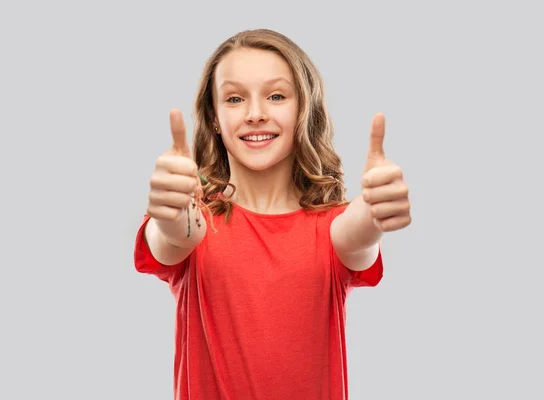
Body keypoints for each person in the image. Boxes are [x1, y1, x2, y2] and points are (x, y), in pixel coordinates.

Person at [134, 28, 411, 400]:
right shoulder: (194, 220)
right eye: (234, 99)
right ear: (215, 118)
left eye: (276, 96)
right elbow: (176, 233)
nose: (255, 114)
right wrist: (171, 213)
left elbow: (358, 231)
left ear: (302, 110)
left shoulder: (333, 229)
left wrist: (376, 207)